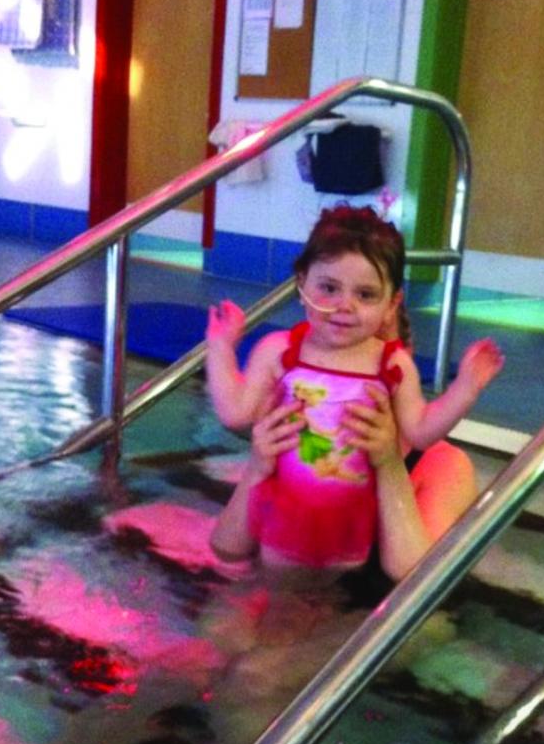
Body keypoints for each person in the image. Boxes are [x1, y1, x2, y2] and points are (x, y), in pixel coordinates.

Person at [206, 204, 503, 575]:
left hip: (350, 551)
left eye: (365, 296)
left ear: (389, 307)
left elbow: (422, 431)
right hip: (279, 539)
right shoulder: (280, 354)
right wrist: (220, 349)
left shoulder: (398, 372)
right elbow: (234, 412)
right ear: (303, 284)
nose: (344, 307)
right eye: (329, 288)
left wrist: (466, 388)